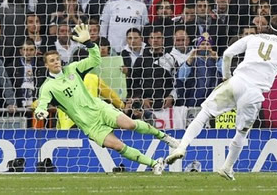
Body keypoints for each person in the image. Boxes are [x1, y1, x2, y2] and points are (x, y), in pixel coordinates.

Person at [165, 15, 277, 180]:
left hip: (236, 82)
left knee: (204, 114)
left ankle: (182, 146)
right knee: (242, 132)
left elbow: (228, 53)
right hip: (254, 93)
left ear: (267, 27)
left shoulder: (252, 38)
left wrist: (227, 76)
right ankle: (227, 167)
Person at [34, 24, 179, 174]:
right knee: (118, 146)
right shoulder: (48, 87)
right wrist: (40, 112)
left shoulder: (73, 68)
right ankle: (155, 164)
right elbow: (42, 104)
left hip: (100, 109)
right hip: (89, 124)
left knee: (129, 125)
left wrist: (89, 43)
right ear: (46, 65)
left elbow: (95, 60)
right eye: (52, 61)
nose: (56, 62)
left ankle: (166, 137)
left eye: (57, 59)